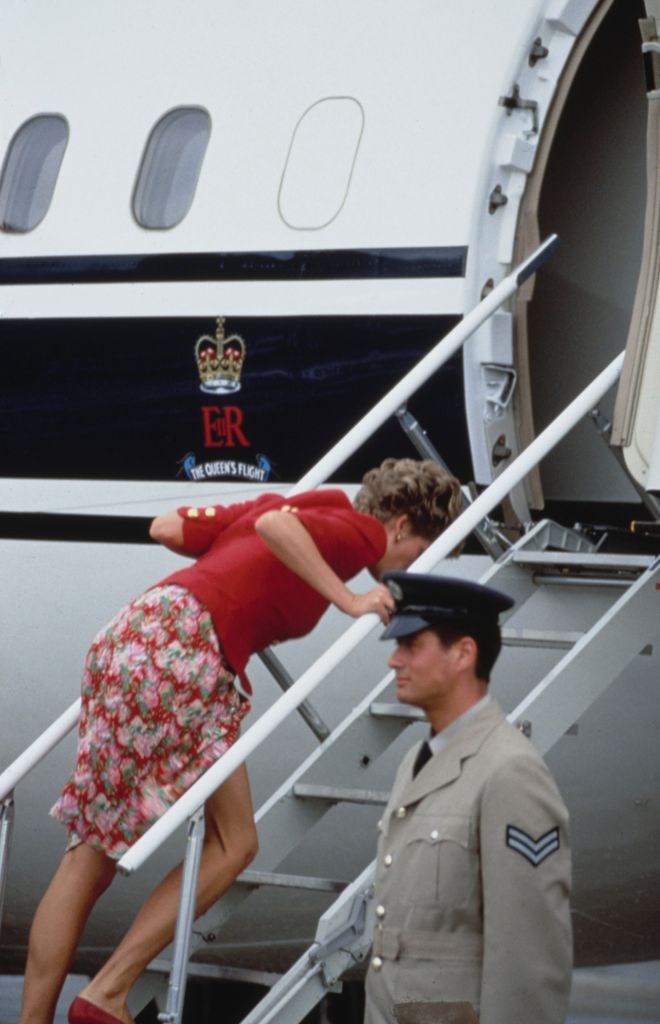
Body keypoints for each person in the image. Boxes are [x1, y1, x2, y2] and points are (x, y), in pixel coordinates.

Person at [19, 458, 463, 1024]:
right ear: (401, 525)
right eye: (422, 551)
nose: (411, 570)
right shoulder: (361, 531)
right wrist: (349, 600)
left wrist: (238, 563)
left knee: (117, 854)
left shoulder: (288, 507)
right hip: (186, 655)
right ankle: (105, 993)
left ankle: (64, 1007)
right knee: (212, 847)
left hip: (134, 637)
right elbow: (277, 531)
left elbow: (169, 527)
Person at [364, 572, 572, 1024]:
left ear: (463, 654)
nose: (394, 662)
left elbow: (527, 953)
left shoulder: (509, 772)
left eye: (411, 646)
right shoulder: (417, 761)